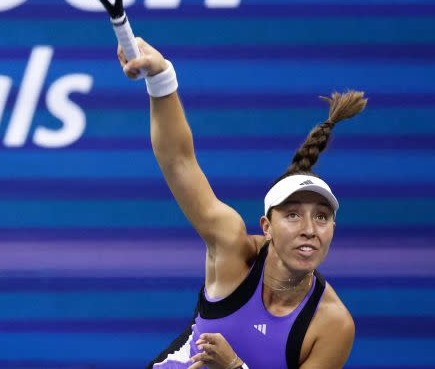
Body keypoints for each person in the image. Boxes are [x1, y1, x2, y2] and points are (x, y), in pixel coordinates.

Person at [117, 38, 366, 369]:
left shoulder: (332, 325)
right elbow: (179, 161)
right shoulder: (231, 247)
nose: (309, 230)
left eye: (321, 218)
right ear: (267, 227)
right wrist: (161, 77)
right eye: (292, 215)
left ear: (333, 229)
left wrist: (235, 367)